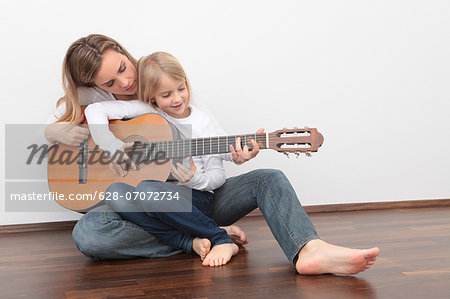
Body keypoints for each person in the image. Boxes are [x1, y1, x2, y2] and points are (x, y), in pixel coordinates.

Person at [45, 34, 379, 274]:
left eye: (123, 67)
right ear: (97, 86)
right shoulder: (112, 102)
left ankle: (308, 249)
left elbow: (215, 151)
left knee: (269, 178)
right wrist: (60, 132)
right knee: (88, 234)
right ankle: (202, 235)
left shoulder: (169, 91)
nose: (126, 80)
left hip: (201, 193)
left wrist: (234, 157)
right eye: (112, 82)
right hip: (146, 203)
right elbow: (90, 115)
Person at [83, 51, 239, 265]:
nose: (177, 99)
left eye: (181, 89)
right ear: (151, 98)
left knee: (148, 189)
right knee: (114, 191)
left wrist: (194, 179)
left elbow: (217, 177)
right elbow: (95, 109)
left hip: (197, 197)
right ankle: (187, 241)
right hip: (158, 197)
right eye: (166, 95)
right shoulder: (149, 112)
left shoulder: (201, 123)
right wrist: (114, 147)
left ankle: (220, 238)